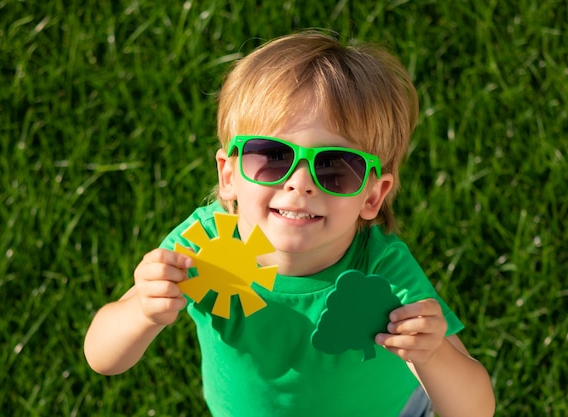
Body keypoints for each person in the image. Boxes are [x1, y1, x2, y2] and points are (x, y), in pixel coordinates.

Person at [84, 31, 495, 417]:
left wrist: (432, 353)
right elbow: (102, 357)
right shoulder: (204, 246)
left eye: (335, 168)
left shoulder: (382, 272)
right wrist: (142, 310)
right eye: (272, 156)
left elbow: (474, 409)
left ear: (372, 196)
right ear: (229, 176)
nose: (299, 182)